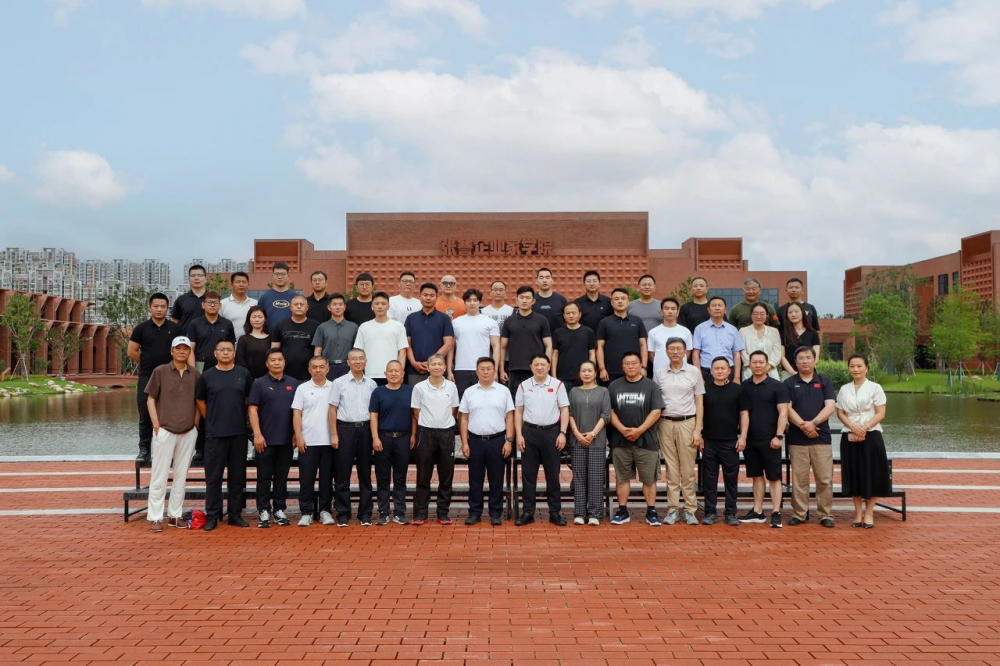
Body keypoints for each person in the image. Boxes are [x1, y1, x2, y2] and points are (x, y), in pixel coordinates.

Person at [195, 339, 254, 531]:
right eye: (222, 350)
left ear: (234, 353)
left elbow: (248, 400)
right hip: (215, 434)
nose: (226, 353)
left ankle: (235, 514)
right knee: (213, 478)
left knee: (237, 477)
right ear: (215, 353)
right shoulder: (207, 376)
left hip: (238, 433)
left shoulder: (243, 374)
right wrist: (212, 418)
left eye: (229, 349)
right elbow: (200, 401)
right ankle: (213, 515)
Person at [144, 335, 199, 532]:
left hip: (188, 431)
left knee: (181, 477)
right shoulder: (160, 371)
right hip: (165, 430)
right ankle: (156, 517)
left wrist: (195, 424)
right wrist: (156, 425)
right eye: (178, 348)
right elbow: (151, 399)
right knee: (159, 477)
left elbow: (199, 401)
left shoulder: (195, 374)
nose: (182, 351)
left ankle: (175, 515)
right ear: (172, 351)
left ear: (189, 351)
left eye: (185, 348)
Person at [608, 351, 664, 526]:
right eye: (627, 363)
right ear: (622, 366)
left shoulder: (651, 386)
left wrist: (639, 430)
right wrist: (622, 429)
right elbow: (609, 411)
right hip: (620, 441)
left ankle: (651, 511)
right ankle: (622, 511)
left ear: (641, 365)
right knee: (622, 478)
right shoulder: (614, 386)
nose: (630, 366)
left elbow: (656, 411)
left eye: (634, 363)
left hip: (646, 441)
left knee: (649, 479)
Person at [514, 354, 570, 526]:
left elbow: (564, 410)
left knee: (552, 476)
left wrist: (562, 433)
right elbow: (518, 411)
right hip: (529, 433)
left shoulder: (558, 385)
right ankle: (528, 512)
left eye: (543, 364)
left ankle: (555, 512)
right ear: (531, 366)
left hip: (552, 433)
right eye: (536, 364)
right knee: (528, 476)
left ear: (548, 366)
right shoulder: (523, 386)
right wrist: (519, 435)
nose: (539, 367)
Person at [784, 347, 837, 528]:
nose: (805, 361)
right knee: (799, 479)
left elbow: (830, 407)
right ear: (795, 362)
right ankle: (799, 514)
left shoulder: (824, 382)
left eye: (808, 357)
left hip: (821, 438)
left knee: (824, 479)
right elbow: (787, 408)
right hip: (797, 439)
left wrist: (813, 423)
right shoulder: (789, 383)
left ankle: (825, 514)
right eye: (801, 358)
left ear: (815, 360)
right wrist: (803, 426)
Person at [459, 357, 515, 526]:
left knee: (496, 479)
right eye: (482, 369)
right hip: (475, 440)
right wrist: (464, 442)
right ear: (476, 371)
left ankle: (496, 513)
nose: (485, 372)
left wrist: (509, 440)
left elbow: (510, 417)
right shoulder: (469, 392)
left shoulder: (503, 391)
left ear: (494, 371)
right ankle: (475, 512)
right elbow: (463, 418)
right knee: (475, 479)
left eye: (488, 368)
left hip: (497, 440)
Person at [655, 337, 704, 526]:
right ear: (666, 352)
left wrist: (698, 429)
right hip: (665, 423)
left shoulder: (694, 371)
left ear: (685, 352)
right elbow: (656, 400)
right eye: (671, 349)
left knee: (687, 470)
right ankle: (673, 509)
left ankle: (690, 509)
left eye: (679, 349)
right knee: (671, 469)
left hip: (687, 422)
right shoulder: (660, 373)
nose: (675, 352)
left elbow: (699, 401)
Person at [836, 354, 890, 529]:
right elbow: (840, 412)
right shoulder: (844, 389)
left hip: (871, 434)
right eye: (852, 366)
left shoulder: (875, 388)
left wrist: (864, 428)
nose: (856, 369)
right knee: (854, 473)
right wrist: (853, 427)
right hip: (849, 434)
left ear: (867, 368)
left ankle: (869, 513)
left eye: (859, 366)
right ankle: (858, 512)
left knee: (872, 473)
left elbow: (881, 413)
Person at [128, 292, 182, 462]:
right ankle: (144, 450)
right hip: (147, 376)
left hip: (170, 377)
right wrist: (146, 362)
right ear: (150, 307)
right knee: (145, 413)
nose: (159, 309)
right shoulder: (141, 328)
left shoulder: (175, 329)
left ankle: (170, 451)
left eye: (163, 306)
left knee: (170, 414)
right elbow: (131, 351)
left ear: (167, 309)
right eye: (156, 306)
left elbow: (182, 351)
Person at [738, 350, 789, 529]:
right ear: (749, 365)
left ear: (768, 365)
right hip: (751, 440)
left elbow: (783, 412)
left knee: (774, 477)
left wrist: (779, 435)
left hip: (771, 439)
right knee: (756, 476)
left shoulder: (777, 386)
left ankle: (776, 512)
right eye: (754, 362)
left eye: (761, 362)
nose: (758, 365)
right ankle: (758, 511)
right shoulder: (744, 386)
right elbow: (743, 413)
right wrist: (743, 437)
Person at [247, 349, 298, 528]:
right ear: (267, 363)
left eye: (280, 360)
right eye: (273, 360)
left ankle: (279, 509)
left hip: (286, 440)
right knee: (263, 478)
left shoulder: (293, 383)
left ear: (284, 362)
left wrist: (296, 433)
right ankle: (263, 510)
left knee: (281, 478)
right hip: (265, 440)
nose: (277, 363)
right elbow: (252, 409)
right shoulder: (259, 383)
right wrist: (257, 434)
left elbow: (298, 411)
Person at [328, 348, 378, 527]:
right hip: (345, 430)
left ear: (365, 361)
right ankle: (343, 513)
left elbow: (374, 412)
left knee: (365, 474)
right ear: (348, 362)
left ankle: (365, 513)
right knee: (342, 474)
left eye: (361, 359)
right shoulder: (339, 383)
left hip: (365, 429)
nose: (358, 362)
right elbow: (332, 409)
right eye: (354, 359)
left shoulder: (372, 384)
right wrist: (334, 434)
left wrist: (374, 435)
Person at [410, 354, 460, 525]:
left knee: (446, 475)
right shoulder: (419, 387)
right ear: (428, 367)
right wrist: (429, 424)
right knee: (423, 475)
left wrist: (444, 423)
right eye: (434, 364)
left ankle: (443, 512)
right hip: (426, 433)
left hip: (446, 433)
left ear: (445, 367)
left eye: (440, 364)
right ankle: (420, 513)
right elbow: (416, 411)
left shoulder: (451, 387)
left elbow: (454, 409)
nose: (437, 367)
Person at [700, 357, 746, 527]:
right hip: (709, 441)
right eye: (716, 368)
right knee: (709, 479)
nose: (720, 371)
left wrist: (743, 437)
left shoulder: (737, 390)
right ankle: (710, 512)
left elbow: (744, 414)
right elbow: (699, 414)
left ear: (729, 371)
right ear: (711, 371)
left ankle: (731, 512)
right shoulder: (704, 390)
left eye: (723, 368)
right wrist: (699, 435)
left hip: (730, 442)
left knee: (731, 479)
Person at [370, 360, 416, 525]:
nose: (394, 373)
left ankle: (399, 511)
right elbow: (373, 416)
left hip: (403, 438)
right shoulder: (378, 392)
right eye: (391, 371)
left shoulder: (410, 391)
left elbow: (414, 415)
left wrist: (413, 435)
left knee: (400, 477)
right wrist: (375, 437)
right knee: (382, 477)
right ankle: (383, 512)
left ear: (403, 373)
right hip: (383, 438)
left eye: (397, 371)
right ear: (385, 374)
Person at [291, 356, 334, 526]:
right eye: (314, 367)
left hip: (329, 442)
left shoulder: (334, 387)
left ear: (327, 369)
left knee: (326, 479)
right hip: (308, 442)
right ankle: (306, 512)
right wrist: (299, 436)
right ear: (309, 370)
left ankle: (325, 511)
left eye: (321, 367)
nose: (318, 370)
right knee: (306, 479)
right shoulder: (302, 388)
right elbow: (296, 414)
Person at [568, 360, 611, 525]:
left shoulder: (603, 391)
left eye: (589, 370)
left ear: (595, 373)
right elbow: (570, 413)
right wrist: (577, 434)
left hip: (597, 441)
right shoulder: (573, 392)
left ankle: (595, 513)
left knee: (595, 477)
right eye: (583, 370)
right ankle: (579, 513)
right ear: (579, 373)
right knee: (579, 478)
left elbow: (606, 415)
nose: (586, 373)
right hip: (577, 441)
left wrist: (592, 434)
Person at [499, 286, 552, 395]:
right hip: (514, 369)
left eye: (528, 298)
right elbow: (502, 347)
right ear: (516, 300)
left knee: (536, 400)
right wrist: (501, 370)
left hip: (536, 369)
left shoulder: (542, 320)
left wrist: (546, 367)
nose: (524, 300)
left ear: (533, 301)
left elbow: (549, 345)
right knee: (515, 401)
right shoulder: (509, 321)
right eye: (521, 297)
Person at [448, 289, 500, 397]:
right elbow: (451, 348)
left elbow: (496, 347)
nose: (472, 303)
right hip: (461, 369)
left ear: (480, 302)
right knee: (461, 402)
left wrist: (495, 371)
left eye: (475, 300)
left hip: (483, 369)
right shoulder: (455, 322)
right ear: (464, 302)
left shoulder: (490, 322)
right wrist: (449, 370)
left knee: (483, 400)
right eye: (468, 300)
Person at [405, 283, 455, 385]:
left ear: (436, 297)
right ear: (420, 296)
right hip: (414, 370)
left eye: (432, 295)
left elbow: (448, 344)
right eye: (425, 295)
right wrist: (414, 363)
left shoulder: (444, 318)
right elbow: (406, 344)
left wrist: (431, 362)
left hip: (437, 369)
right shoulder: (411, 318)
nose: (428, 298)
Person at [354, 291, 408, 386]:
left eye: (383, 304)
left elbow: (402, 352)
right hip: (369, 374)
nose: (380, 306)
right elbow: (358, 352)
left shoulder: (398, 326)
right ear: (372, 306)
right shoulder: (364, 327)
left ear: (388, 307)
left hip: (392, 375)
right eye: (376, 304)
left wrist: (400, 374)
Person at [596, 288, 648, 384]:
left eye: (623, 299)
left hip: (634, 371)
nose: (620, 301)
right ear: (612, 303)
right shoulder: (604, 322)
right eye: (616, 299)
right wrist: (602, 368)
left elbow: (643, 344)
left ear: (628, 302)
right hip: (610, 372)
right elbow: (599, 346)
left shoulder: (637, 321)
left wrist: (644, 367)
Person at [691, 296, 744, 384]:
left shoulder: (733, 329)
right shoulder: (699, 329)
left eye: (720, 305)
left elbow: (737, 354)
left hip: (728, 371)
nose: (717, 308)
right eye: (714, 305)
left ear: (725, 309)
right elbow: (695, 354)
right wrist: (699, 377)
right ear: (708, 310)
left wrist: (737, 377)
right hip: (706, 372)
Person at [271, 294, 320, 382]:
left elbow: (318, 351)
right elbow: (274, 350)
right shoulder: (280, 325)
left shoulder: (316, 326)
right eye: (296, 304)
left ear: (307, 307)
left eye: (302, 304)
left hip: (308, 375)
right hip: (284, 375)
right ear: (290, 307)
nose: (299, 306)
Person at [312, 293, 359, 380]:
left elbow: (356, 350)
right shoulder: (322, 327)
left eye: (340, 304)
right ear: (329, 307)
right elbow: (317, 352)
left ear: (344, 307)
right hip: (328, 368)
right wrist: (320, 366)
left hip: (348, 367)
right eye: (334, 304)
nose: (337, 307)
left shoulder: (353, 327)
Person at [187, 291, 236, 372]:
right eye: (209, 302)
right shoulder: (195, 324)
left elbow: (232, 349)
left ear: (220, 305)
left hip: (222, 365)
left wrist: (230, 368)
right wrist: (193, 370)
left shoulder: (227, 324)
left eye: (215, 302)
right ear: (203, 305)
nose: (212, 305)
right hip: (200, 366)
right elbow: (190, 349)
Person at [551, 301, 596, 386]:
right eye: (568, 313)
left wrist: (592, 373)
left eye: (574, 313)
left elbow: (592, 353)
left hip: (583, 377)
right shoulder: (558, 332)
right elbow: (555, 354)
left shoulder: (588, 332)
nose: (571, 316)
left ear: (580, 314)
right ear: (564, 315)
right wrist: (554, 376)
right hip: (563, 377)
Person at [647, 297, 692, 376]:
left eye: (673, 309)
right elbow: (651, 355)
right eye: (667, 308)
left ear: (678, 312)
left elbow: (687, 353)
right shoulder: (653, 332)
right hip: (660, 373)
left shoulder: (686, 332)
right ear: (661, 312)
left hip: (681, 373)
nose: (670, 311)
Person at [739, 303, 782, 381]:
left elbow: (777, 352)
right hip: (750, 370)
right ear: (751, 315)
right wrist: (754, 366)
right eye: (756, 314)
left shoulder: (774, 331)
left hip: (770, 370)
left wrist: (767, 367)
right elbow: (742, 352)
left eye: (762, 314)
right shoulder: (743, 331)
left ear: (766, 315)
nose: (759, 317)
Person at [780, 303, 821, 378]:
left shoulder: (813, 333)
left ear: (803, 313)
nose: (793, 314)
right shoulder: (783, 334)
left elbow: (816, 356)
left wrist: (807, 370)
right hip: (788, 373)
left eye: (796, 311)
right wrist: (793, 372)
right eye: (790, 312)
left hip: (809, 372)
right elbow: (782, 357)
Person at [235, 306, 272, 379]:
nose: (257, 320)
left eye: (260, 317)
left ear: (265, 319)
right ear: (249, 319)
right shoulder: (243, 339)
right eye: (254, 317)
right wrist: (249, 377)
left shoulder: (271, 338)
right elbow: (240, 361)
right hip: (248, 379)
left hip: (268, 379)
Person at [219, 272, 257, 340]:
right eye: (238, 282)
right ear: (231, 285)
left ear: (248, 285)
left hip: (252, 343)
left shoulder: (255, 303)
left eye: (244, 282)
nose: (241, 284)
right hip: (230, 344)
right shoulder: (222, 304)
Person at [171, 264, 207, 334]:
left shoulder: (211, 299)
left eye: (200, 275)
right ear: (189, 279)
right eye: (193, 276)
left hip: (207, 339)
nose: (196, 278)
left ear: (206, 279)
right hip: (185, 339)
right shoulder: (181, 299)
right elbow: (174, 321)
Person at [257, 262, 296, 326]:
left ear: (288, 276)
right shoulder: (264, 297)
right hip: (269, 332)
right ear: (272, 276)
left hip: (290, 332)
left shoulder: (295, 297)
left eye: (283, 274)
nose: (280, 277)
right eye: (277, 274)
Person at [532, 267, 567, 332]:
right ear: (537, 281)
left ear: (552, 280)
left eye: (547, 277)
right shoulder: (531, 300)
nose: (544, 280)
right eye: (541, 278)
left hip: (557, 337)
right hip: (536, 337)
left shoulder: (561, 300)